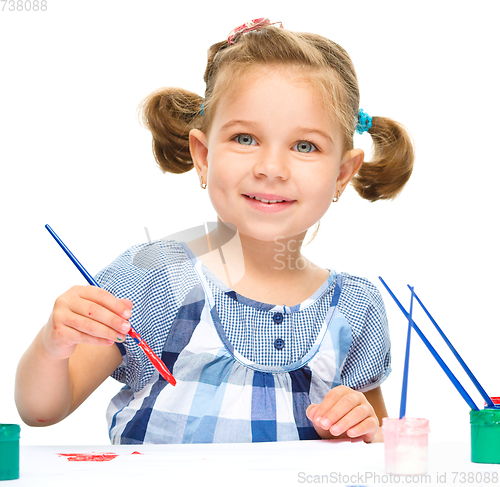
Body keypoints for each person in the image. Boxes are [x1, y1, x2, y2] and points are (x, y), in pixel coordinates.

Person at [15, 18, 414, 444]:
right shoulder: (155, 279)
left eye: (304, 146)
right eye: (245, 138)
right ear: (203, 155)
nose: (270, 168)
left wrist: (359, 428)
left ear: (342, 173)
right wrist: (53, 345)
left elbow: (377, 448)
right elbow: (41, 411)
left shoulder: (355, 308)